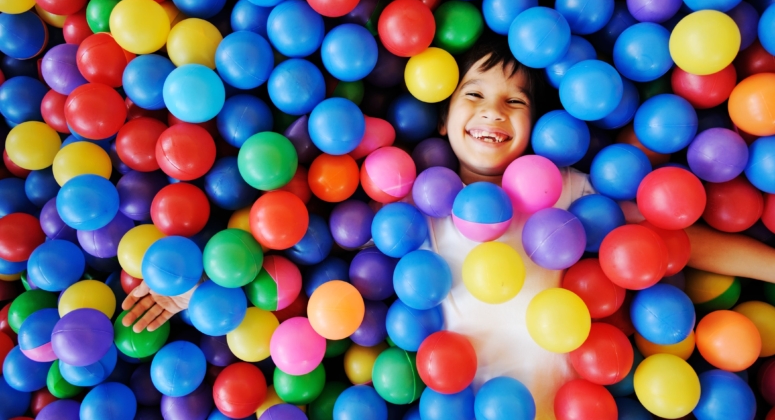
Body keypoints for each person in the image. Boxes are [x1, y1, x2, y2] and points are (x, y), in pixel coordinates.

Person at [123, 33, 775, 419]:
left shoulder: (566, 195)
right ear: (441, 119)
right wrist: (198, 285)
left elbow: (668, 238)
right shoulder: (411, 199)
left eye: (514, 102)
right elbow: (294, 235)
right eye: (475, 95)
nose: (493, 112)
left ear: (537, 129)